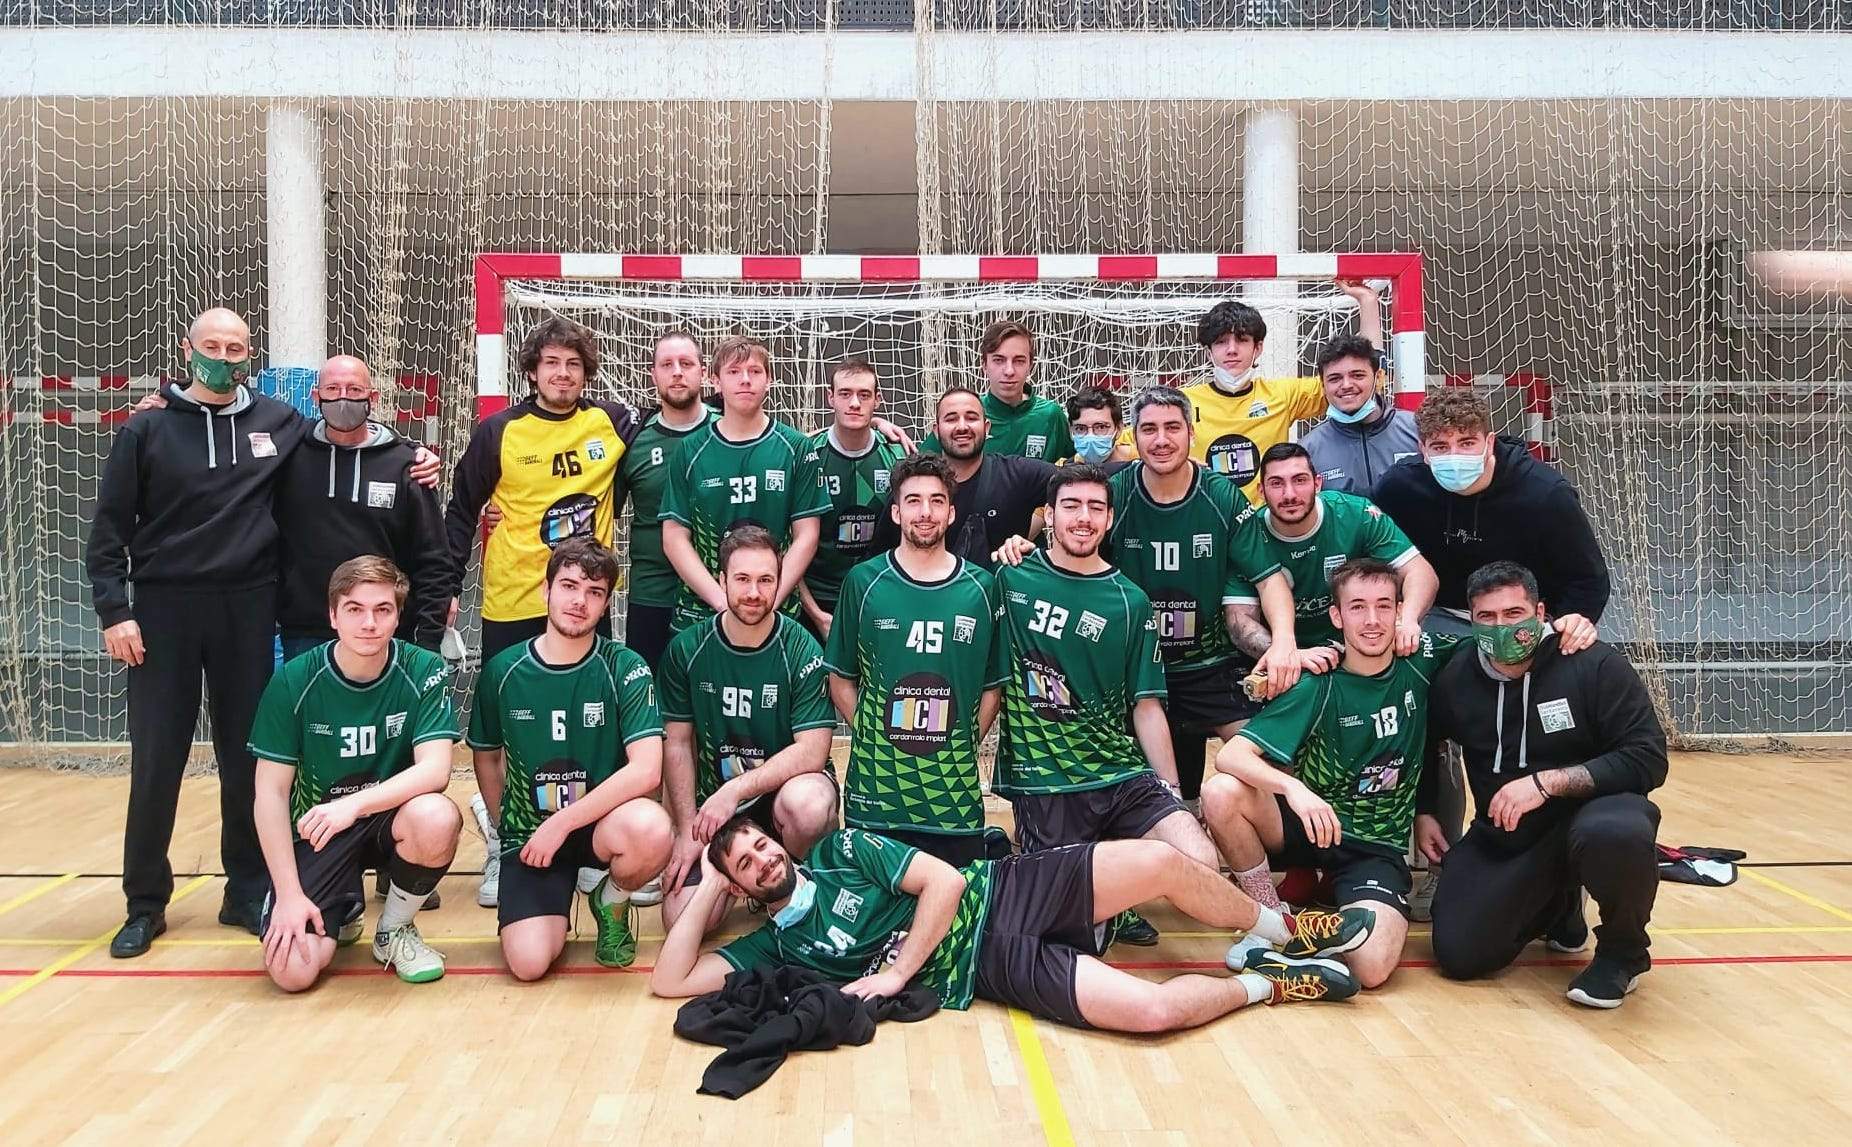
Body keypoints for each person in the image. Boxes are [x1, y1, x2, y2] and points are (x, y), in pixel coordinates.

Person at [1203, 558, 1596, 992]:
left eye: (1383, 606)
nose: (1371, 621)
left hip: (1376, 845)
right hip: (1310, 824)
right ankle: (1270, 920)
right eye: (1357, 607)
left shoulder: (1425, 660)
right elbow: (1232, 755)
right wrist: (1294, 789)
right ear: (1336, 616)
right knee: (1221, 793)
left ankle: (1294, 948)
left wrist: (1564, 625)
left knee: (1371, 968)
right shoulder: (1318, 682)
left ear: (1400, 611)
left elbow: (1502, 637)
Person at [651, 820, 1375, 1031]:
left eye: (759, 843)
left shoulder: (840, 849)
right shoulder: (773, 945)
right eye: (745, 862)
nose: (762, 856)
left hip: (1005, 892)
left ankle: (1284, 931)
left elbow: (941, 879)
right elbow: (670, 979)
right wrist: (709, 877)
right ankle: (1272, 983)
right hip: (986, 971)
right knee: (1151, 1012)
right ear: (744, 885)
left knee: (1157, 860)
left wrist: (898, 971)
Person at [88, 308, 313, 955]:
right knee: (158, 757)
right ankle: (144, 902)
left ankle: (245, 888)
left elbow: (338, 445)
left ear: (251, 354)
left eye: (235, 346)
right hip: (162, 612)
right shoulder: (146, 427)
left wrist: (413, 459)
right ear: (188, 350)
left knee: (249, 757)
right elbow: (108, 532)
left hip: (248, 607)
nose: (223, 354)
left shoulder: (278, 421)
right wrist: (114, 609)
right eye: (211, 345)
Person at [994, 464, 1226, 946]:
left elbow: (1146, 706)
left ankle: (1278, 929)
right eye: (1071, 506)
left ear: (1110, 518)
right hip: (1047, 780)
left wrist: (1170, 791)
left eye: (1095, 508)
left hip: (1120, 774)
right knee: (1075, 938)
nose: (1084, 518)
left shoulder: (1129, 601)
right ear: (1049, 516)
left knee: (1200, 863)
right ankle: (1093, 891)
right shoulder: (1010, 577)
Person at [1371, 386, 1612, 850]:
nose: (1453, 455)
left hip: (1523, 625)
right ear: (1421, 449)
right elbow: (1379, 564)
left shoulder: (1545, 494)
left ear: (1489, 441)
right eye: (1439, 446)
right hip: (1438, 618)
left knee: (1535, 726)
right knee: (1424, 724)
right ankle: (1434, 856)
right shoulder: (1399, 489)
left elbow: (1588, 580)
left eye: (1466, 443)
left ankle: (1547, 846)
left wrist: (1572, 620)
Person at [1420, 561, 1668, 1009]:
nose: (1501, 627)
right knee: (1460, 953)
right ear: (1471, 621)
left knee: (1618, 831)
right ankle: (1559, 905)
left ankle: (1622, 953)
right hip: (1509, 833)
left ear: (1540, 612)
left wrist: (1546, 783)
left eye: (1514, 614)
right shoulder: (1456, 678)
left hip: (1595, 815)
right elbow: (1426, 744)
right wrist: (1426, 811)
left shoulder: (1594, 664)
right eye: (1487, 618)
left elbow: (1647, 758)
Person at [248, 556, 461, 990]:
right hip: (319, 831)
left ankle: (394, 929)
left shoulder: (424, 670)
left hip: (386, 820)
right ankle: (336, 906)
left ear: (398, 615)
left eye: (383, 610)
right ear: (332, 615)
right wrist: (289, 896)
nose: (370, 623)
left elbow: (436, 770)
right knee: (293, 973)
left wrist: (352, 806)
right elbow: (269, 794)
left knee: (437, 816)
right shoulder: (293, 680)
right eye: (355, 609)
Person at [465, 538, 674, 979]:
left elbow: (647, 769)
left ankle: (610, 901)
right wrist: (509, 827)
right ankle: (546, 897)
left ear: (606, 605)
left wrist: (562, 823)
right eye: (569, 586)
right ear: (546, 591)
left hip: (599, 828)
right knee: (528, 964)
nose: (580, 601)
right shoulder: (502, 672)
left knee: (651, 828)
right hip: (533, 836)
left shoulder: (625, 667)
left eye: (595, 593)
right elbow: (485, 756)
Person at [1103, 387, 1303, 813]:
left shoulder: (1221, 495)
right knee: (1148, 798)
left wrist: (1284, 640)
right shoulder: (1113, 495)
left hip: (1210, 665)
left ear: (1191, 433)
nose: (1161, 439)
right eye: (1149, 429)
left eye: (1172, 427)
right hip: (1136, 672)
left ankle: (1293, 854)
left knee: (1271, 764)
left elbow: (1269, 580)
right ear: (1133, 437)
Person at [824, 454, 1006, 867]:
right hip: (878, 794)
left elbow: (993, 686)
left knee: (955, 914)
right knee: (873, 915)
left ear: (951, 511)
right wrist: (878, 734)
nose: (925, 512)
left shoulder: (981, 588)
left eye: (936, 501)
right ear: (895, 510)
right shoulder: (864, 582)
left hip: (952, 800)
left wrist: (957, 740)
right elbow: (840, 680)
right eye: (913, 501)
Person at [657, 527, 839, 934]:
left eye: (765, 580)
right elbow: (678, 744)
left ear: (780, 582)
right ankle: (736, 876)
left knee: (808, 805)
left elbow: (812, 751)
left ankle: (801, 877)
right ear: (721, 580)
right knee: (682, 921)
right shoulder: (687, 650)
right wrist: (687, 830)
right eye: (742, 579)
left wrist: (735, 790)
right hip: (716, 812)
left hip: (780, 798)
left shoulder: (800, 648)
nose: (754, 592)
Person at [442, 316, 641, 661]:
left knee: (586, 707)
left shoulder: (612, 422)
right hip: (515, 601)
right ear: (533, 371)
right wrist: (448, 588)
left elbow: (676, 417)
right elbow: (460, 510)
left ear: (585, 373)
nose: (563, 373)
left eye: (573, 364)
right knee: (507, 707)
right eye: (551, 362)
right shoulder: (498, 431)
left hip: (585, 599)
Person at [272, 356, 448, 660]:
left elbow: (433, 559)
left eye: (354, 390)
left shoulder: (408, 466)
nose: (343, 398)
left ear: (372, 398)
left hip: (384, 630)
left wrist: (428, 638)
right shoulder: (288, 455)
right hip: (306, 632)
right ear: (316, 397)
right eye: (333, 389)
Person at [661, 335, 829, 634]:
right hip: (703, 614)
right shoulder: (690, 450)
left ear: (770, 381)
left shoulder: (796, 448)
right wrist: (723, 602)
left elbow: (807, 536)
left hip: (777, 613)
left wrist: (767, 601)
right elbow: (674, 538)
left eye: (755, 372)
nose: (745, 380)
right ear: (715, 381)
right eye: (734, 372)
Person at [1172, 283, 1382, 501]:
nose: (1231, 349)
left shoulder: (1283, 395)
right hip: (1209, 522)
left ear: (1258, 348)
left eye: (1242, 340)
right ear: (1209, 352)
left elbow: (1364, 377)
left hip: (1266, 524)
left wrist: (1367, 301)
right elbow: (1134, 446)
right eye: (1221, 342)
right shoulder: (1181, 402)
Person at [1226, 442, 1438, 654]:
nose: (1289, 494)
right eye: (1276, 483)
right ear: (1261, 491)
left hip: (1355, 648)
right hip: (1286, 655)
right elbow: (1239, 620)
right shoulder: (1247, 534)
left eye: (1300, 480)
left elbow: (1421, 573)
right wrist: (1288, 655)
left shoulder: (1356, 514)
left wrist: (1407, 621)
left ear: (1318, 484)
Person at [613, 330, 716, 670]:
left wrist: (871, 426)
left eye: (686, 363)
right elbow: (592, 501)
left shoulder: (731, 429)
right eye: (667, 364)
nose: (677, 372)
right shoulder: (633, 439)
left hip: (718, 592)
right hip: (652, 592)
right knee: (650, 701)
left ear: (703, 372)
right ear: (653, 374)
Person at [875, 386, 1055, 570]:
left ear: (986, 427)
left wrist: (1037, 548)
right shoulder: (912, 487)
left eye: (971, 418)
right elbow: (878, 561)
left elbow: (1079, 481)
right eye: (951, 419)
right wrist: (873, 423)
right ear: (936, 431)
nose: (962, 427)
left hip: (998, 596)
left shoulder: (1018, 475)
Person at [796, 358, 906, 641]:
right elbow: (787, 543)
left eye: (864, 395)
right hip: (817, 602)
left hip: (882, 594)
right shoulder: (807, 456)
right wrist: (816, 614)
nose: (854, 403)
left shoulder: (898, 458)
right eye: (845, 394)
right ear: (830, 398)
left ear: (878, 400)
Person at [923, 320, 1073, 461]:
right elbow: (919, 468)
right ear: (984, 365)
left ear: (1031, 366)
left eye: (1019, 361)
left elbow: (1076, 467)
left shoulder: (1051, 416)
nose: (1009, 371)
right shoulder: (967, 418)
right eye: (998, 360)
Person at [1299, 335, 1421, 495]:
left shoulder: (1418, 429)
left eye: (1357, 375)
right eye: (1335, 379)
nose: (1346, 385)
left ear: (1377, 378)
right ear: (1323, 385)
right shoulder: (1308, 450)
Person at [1065, 387, 1136, 467]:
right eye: (1081, 429)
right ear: (1071, 431)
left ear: (1119, 428)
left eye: (1101, 427)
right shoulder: (1063, 470)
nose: (1090, 437)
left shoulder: (1143, 461)